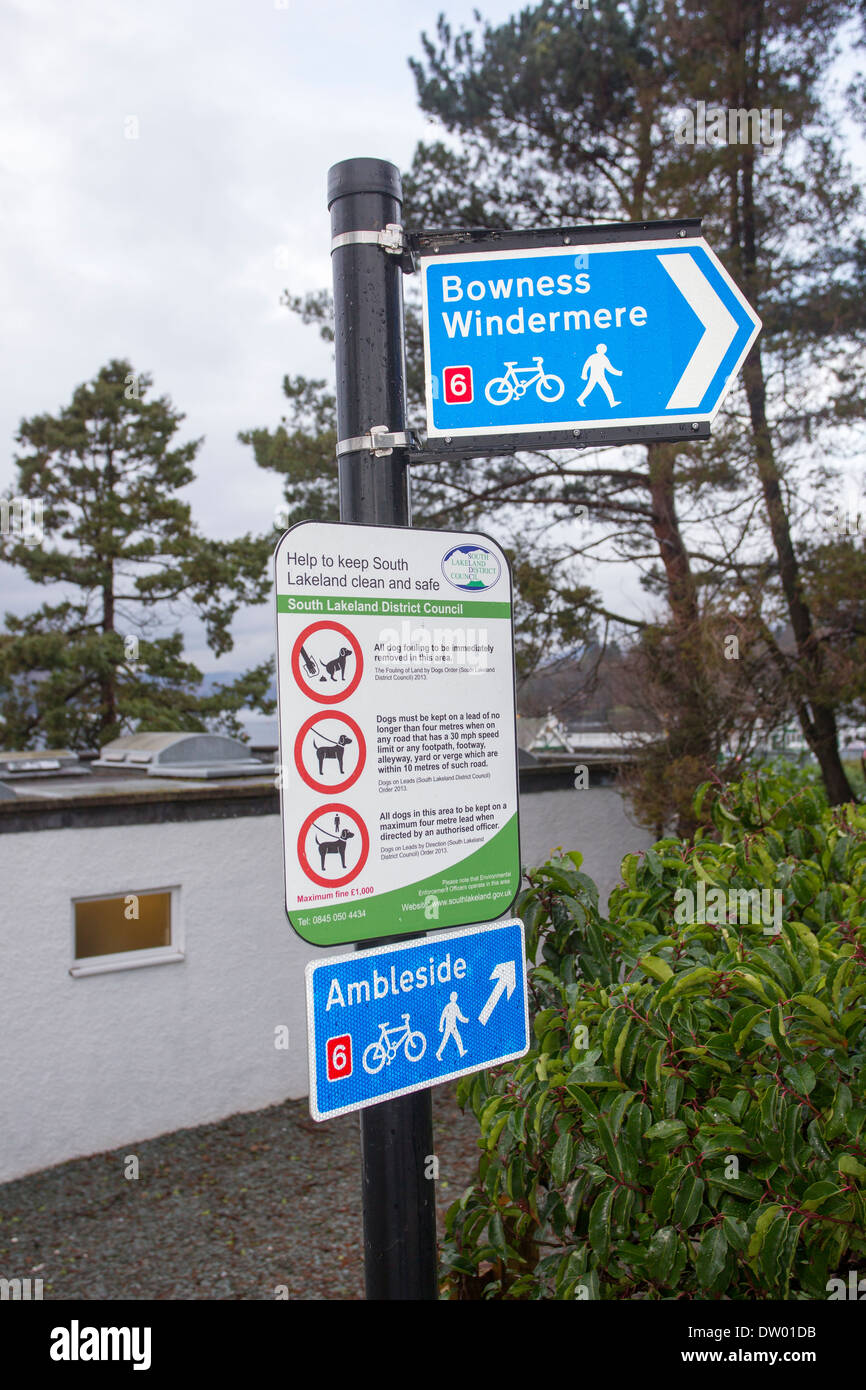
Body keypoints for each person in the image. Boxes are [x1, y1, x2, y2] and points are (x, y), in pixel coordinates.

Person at [578, 343, 623, 408]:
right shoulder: (594, 357)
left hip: (599, 376)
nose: (604, 350)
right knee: (602, 388)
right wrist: (583, 374)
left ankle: (612, 402)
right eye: (603, 349)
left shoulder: (603, 358)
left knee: (592, 388)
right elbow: (586, 365)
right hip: (596, 376)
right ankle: (612, 402)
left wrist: (618, 373)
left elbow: (609, 368)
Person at [436, 991, 468, 1060]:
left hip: (453, 1026)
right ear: (451, 998)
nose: (454, 998)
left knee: (458, 1038)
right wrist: (441, 1026)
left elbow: (460, 1017)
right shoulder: (448, 1006)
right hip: (449, 1026)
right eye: (453, 997)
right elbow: (443, 1016)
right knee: (445, 1040)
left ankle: (461, 1052)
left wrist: (466, 1020)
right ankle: (438, 1053)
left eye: (455, 997)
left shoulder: (456, 1006)